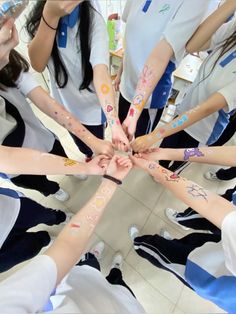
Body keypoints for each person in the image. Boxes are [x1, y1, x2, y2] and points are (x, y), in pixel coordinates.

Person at [0, 155, 145, 314]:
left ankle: (79, 250)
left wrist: (108, 179)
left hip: (78, 281)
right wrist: (110, 180)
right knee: (116, 281)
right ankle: (115, 271)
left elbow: (67, 247)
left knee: (86, 262)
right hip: (124, 305)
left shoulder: (9, 304)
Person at [131, 0, 236, 170]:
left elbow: (206, 109)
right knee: (164, 151)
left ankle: (169, 172)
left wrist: (152, 136)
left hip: (203, 128)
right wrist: (229, 5)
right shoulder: (233, 30)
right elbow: (193, 45)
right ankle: (161, 169)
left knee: (178, 162)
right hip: (183, 111)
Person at [129, 145, 236, 312]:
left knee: (162, 251)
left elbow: (214, 206)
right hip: (221, 244)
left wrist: (153, 167)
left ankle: (138, 243)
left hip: (205, 272)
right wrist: (165, 153)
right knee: (193, 239)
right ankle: (180, 225)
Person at [26, 0, 129, 160]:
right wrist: (50, 16)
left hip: (91, 108)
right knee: (81, 143)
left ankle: (92, 153)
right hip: (63, 106)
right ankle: (88, 154)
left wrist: (114, 124)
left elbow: (101, 72)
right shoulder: (38, 19)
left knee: (96, 141)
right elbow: (37, 64)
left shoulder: (94, 22)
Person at [114, 0, 208, 141]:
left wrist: (133, 114)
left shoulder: (194, 3)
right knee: (123, 136)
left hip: (150, 97)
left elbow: (160, 56)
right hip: (126, 87)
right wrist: (120, 73)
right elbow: (132, 40)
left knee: (139, 144)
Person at [0, 187, 68, 272]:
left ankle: (59, 217)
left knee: (44, 215)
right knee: (27, 249)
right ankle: (45, 239)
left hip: (10, 208)